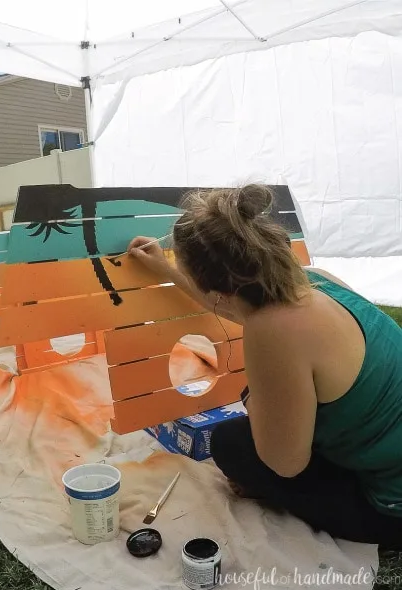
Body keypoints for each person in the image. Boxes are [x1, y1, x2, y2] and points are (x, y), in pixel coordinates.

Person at [128, 183, 402, 546]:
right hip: (386, 454)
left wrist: (252, 399)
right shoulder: (314, 282)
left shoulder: (271, 331)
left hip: (390, 508)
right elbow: (233, 305)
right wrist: (167, 270)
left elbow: (285, 464)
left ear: (215, 285)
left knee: (230, 443)